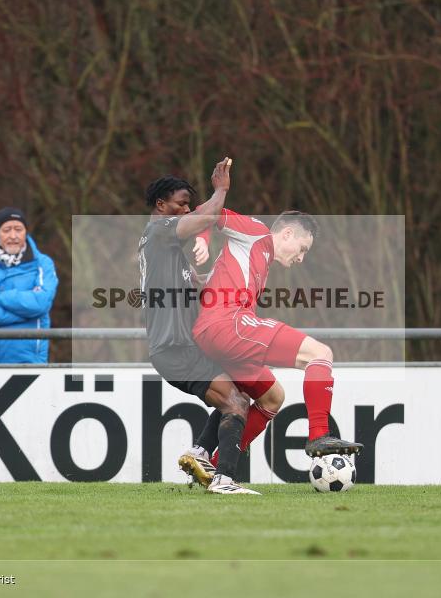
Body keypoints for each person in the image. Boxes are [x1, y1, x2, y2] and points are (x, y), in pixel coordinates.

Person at [140, 158, 283, 495]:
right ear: (161, 206)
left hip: (184, 347)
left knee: (240, 392)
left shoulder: (169, 253)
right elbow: (205, 218)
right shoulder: (157, 232)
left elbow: (201, 288)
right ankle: (223, 480)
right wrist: (220, 191)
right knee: (235, 403)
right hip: (175, 349)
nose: (187, 210)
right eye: (181, 204)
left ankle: (200, 453)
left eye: (189, 204)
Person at [193, 209, 364, 457]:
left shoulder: (256, 260)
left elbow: (216, 283)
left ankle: (212, 464)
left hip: (215, 333)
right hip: (228, 326)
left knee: (272, 398)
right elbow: (210, 211)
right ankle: (319, 435)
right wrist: (202, 239)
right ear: (287, 233)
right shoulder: (257, 233)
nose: (301, 258)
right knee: (319, 353)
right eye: (303, 248)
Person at [0, 207, 58, 364]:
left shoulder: (43, 263)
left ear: (26, 232)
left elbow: (41, 303)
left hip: (30, 362)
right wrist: (25, 313)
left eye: (18, 229)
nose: (13, 236)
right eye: (6, 230)